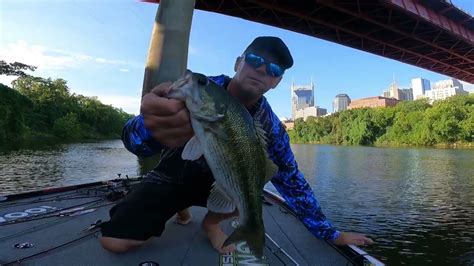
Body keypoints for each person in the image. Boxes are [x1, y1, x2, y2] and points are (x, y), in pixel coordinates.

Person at [99, 36, 374, 254]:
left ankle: (212, 223)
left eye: (273, 69)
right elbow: (132, 140)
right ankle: (178, 208)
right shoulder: (199, 90)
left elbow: (291, 181)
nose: (262, 69)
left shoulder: (272, 126)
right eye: (255, 60)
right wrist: (149, 127)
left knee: (251, 188)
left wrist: (331, 233)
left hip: (226, 187)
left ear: (277, 82)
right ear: (237, 62)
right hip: (172, 177)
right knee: (115, 242)